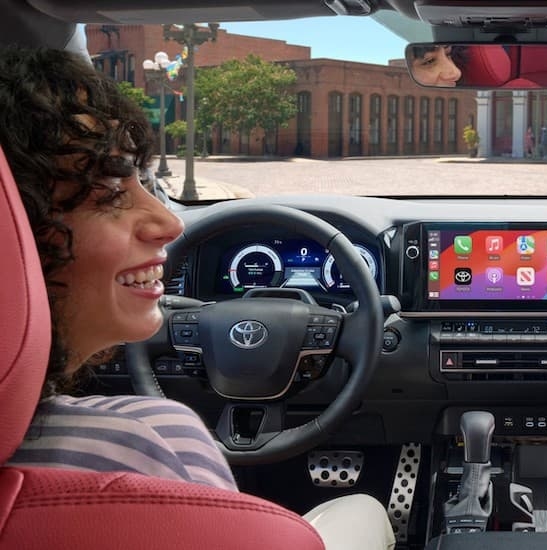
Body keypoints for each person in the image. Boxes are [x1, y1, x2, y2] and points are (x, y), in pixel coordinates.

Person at [0, 46, 394, 550]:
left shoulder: (135, 428)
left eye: (145, 182)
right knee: (362, 508)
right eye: (111, 191)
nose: (170, 224)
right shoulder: (144, 442)